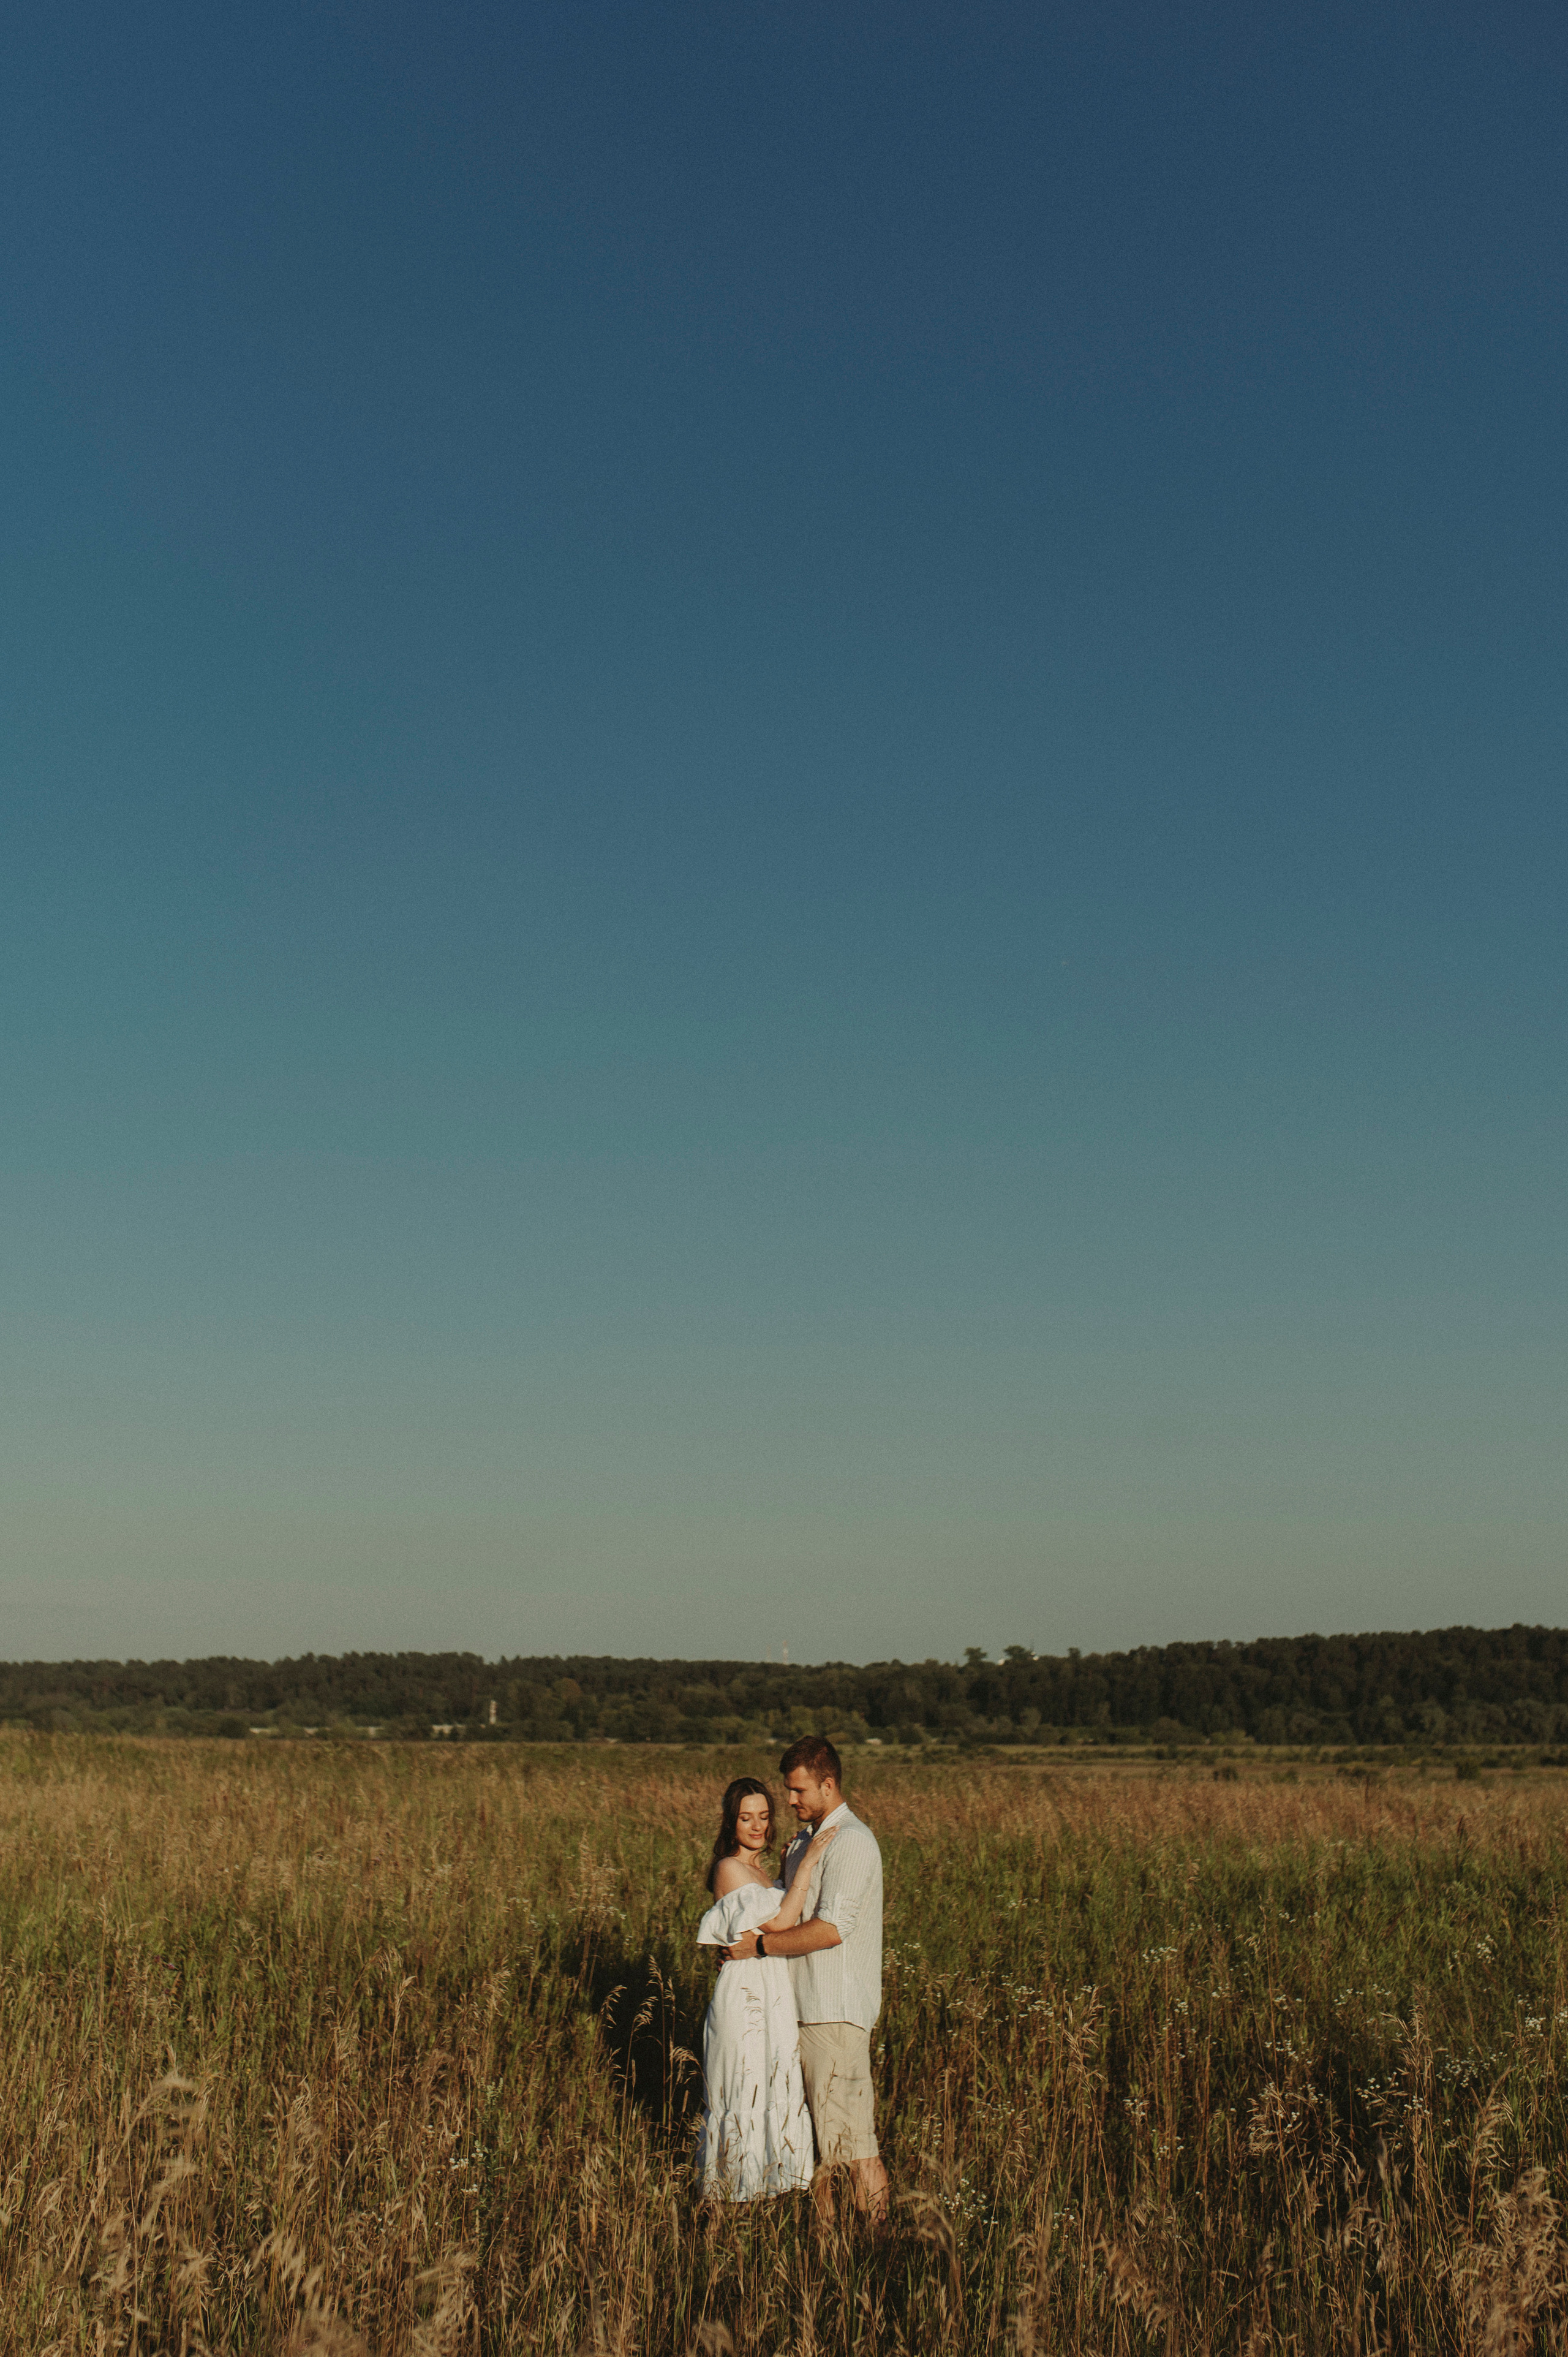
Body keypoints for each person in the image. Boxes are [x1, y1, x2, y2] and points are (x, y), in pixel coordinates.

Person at [723, 1736, 888, 2218]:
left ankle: (880, 2241)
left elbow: (830, 1929)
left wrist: (757, 1947)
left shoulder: (851, 1841)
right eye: (788, 1789)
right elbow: (783, 1914)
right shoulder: (803, 1842)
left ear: (828, 1784)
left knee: (854, 2146)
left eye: (799, 1790)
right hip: (798, 2010)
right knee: (821, 2145)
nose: (790, 1799)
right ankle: (828, 2244)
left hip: (833, 2014)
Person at [695, 1776, 840, 2201]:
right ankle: (727, 2203)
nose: (757, 1826)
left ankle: (768, 2199)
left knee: (773, 2084)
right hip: (744, 1995)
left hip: (772, 1990)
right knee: (744, 2087)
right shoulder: (728, 1867)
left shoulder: (761, 1873)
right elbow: (780, 1922)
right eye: (746, 1818)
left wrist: (786, 1871)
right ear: (731, 1822)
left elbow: (774, 1917)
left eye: (763, 1816)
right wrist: (807, 1864)